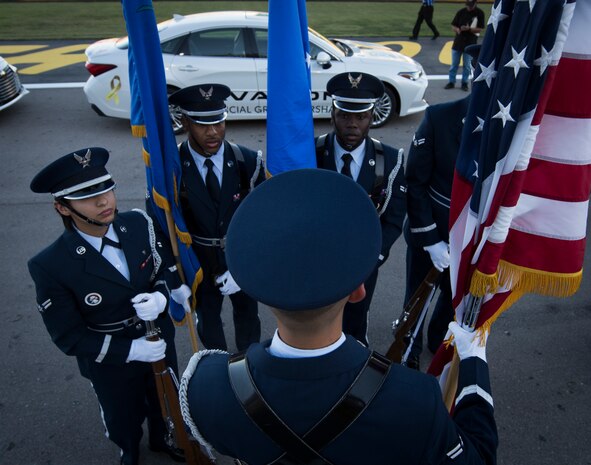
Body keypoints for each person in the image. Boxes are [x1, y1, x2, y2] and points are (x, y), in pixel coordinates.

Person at [179, 168, 498, 465]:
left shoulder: (207, 387)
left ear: (258, 290)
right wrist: (473, 363)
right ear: (358, 290)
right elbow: (478, 457)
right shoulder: (416, 401)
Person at [27, 148, 184, 465]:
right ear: (62, 207)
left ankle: (162, 438)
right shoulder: (50, 264)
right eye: (86, 197)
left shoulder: (139, 223)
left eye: (106, 189)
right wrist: (131, 351)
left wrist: (162, 298)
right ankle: (128, 449)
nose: (104, 202)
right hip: (110, 359)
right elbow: (68, 336)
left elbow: (161, 271)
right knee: (121, 414)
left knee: (163, 401)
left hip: (158, 339)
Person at [166, 84, 265, 351]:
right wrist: (173, 276)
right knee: (208, 321)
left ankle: (249, 365)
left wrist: (245, 263)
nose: (213, 132)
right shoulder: (171, 167)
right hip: (198, 260)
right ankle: (219, 371)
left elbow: (261, 219)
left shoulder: (247, 160)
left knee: (248, 316)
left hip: (239, 254)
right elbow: (161, 225)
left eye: (219, 122)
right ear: (185, 122)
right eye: (202, 124)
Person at [315, 72, 407, 346]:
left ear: (371, 117)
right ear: (333, 114)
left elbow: (393, 219)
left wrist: (372, 258)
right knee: (319, 323)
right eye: (344, 115)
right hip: (320, 260)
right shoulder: (311, 153)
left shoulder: (390, 159)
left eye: (361, 116)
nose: (352, 124)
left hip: (365, 262)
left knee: (355, 323)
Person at [404, 44, 481, 370]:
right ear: (477, 73)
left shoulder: (512, 130)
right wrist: (431, 238)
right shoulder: (440, 117)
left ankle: (438, 341)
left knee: (454, 302)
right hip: (431, 229)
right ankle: (407, 349)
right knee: (417, 299)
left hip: (473, 238)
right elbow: (415, 183)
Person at [445, 0, 484, 91]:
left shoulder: (479, 13)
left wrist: (469, 29)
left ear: (475, 3)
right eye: (468, 5)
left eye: (471, 5)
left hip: (470, 43)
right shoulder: (461, 12)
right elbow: (453, 25)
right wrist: (458, 30)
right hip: (458, 42)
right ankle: (451, 82)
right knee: (454, 64)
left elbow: (479, 29)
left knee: (467, 66)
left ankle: (464, 83)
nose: (469, 7)